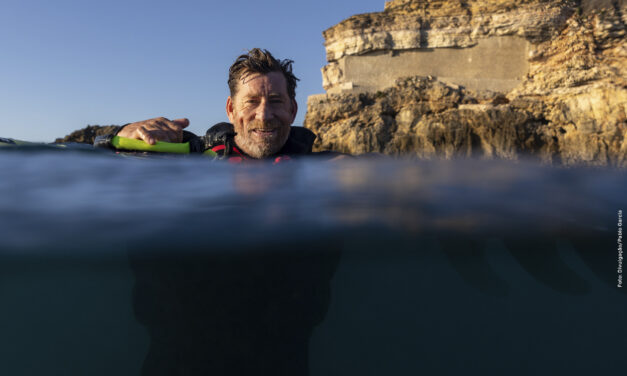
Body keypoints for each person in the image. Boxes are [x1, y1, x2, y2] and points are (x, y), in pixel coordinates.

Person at [100, 48, 330, 162]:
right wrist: (118, 135)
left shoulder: (321, 166)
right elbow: (103, 155)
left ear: (293, 110)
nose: (264, 114)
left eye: (276, 101)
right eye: (251, 102)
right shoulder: (196, 155)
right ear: (230, 109)